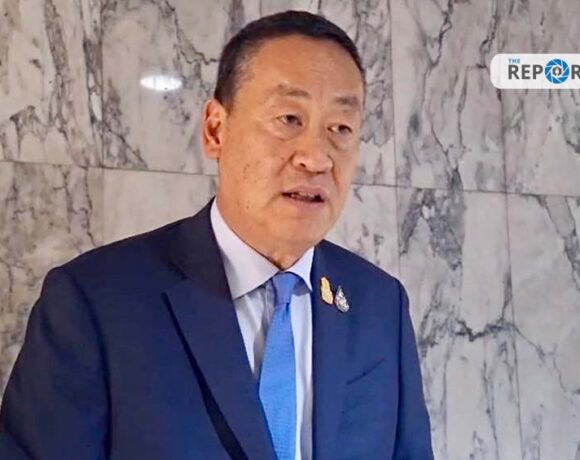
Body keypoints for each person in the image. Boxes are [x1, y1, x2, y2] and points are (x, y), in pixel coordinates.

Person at [0, 10, 433, 460]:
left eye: (340, 128)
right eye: (289, 118)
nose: (316, 157)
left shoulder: (379, 306)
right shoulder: (95, 301)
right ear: (215, 130)